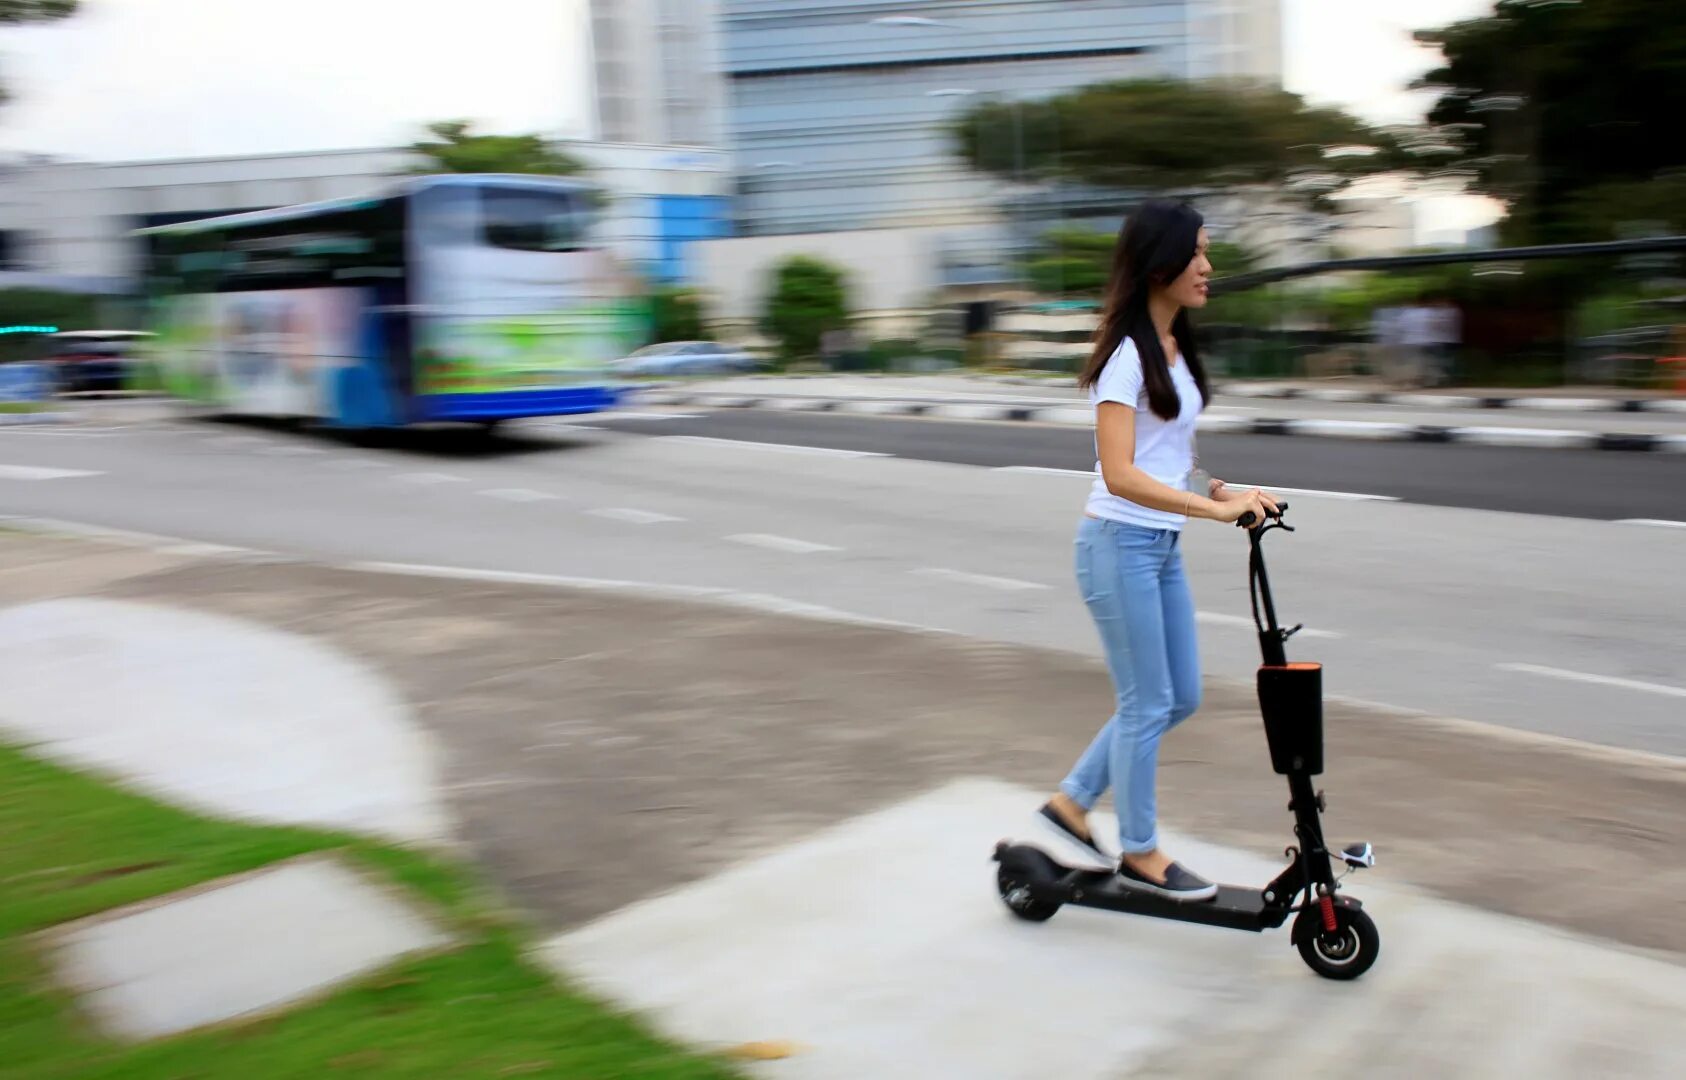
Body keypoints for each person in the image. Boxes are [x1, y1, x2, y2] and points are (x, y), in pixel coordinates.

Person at [1037, 200, 1277, 902]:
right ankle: (1141, 851)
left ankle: (1071, 803)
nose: (1209, 267)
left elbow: (1167, 455)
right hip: (1118, 546)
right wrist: (1213, 511)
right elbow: (1120, 473)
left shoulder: (1176, 349)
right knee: (1146, 702)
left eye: (1208, 252)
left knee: (1180, 697)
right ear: (1161, 264)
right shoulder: (1123, 358)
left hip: (1159, 546)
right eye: (1197, 253)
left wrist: (1220, 487)